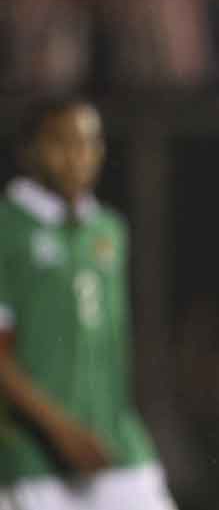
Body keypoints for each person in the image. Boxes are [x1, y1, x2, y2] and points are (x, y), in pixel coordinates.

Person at [0, 97, 178, 510]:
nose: (78, 156)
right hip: (33, 459)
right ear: (29, 149)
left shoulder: (108, 230)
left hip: (114, 446)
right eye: (62, 142)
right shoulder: (7, 229)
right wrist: (61, 430)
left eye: (89, 143)